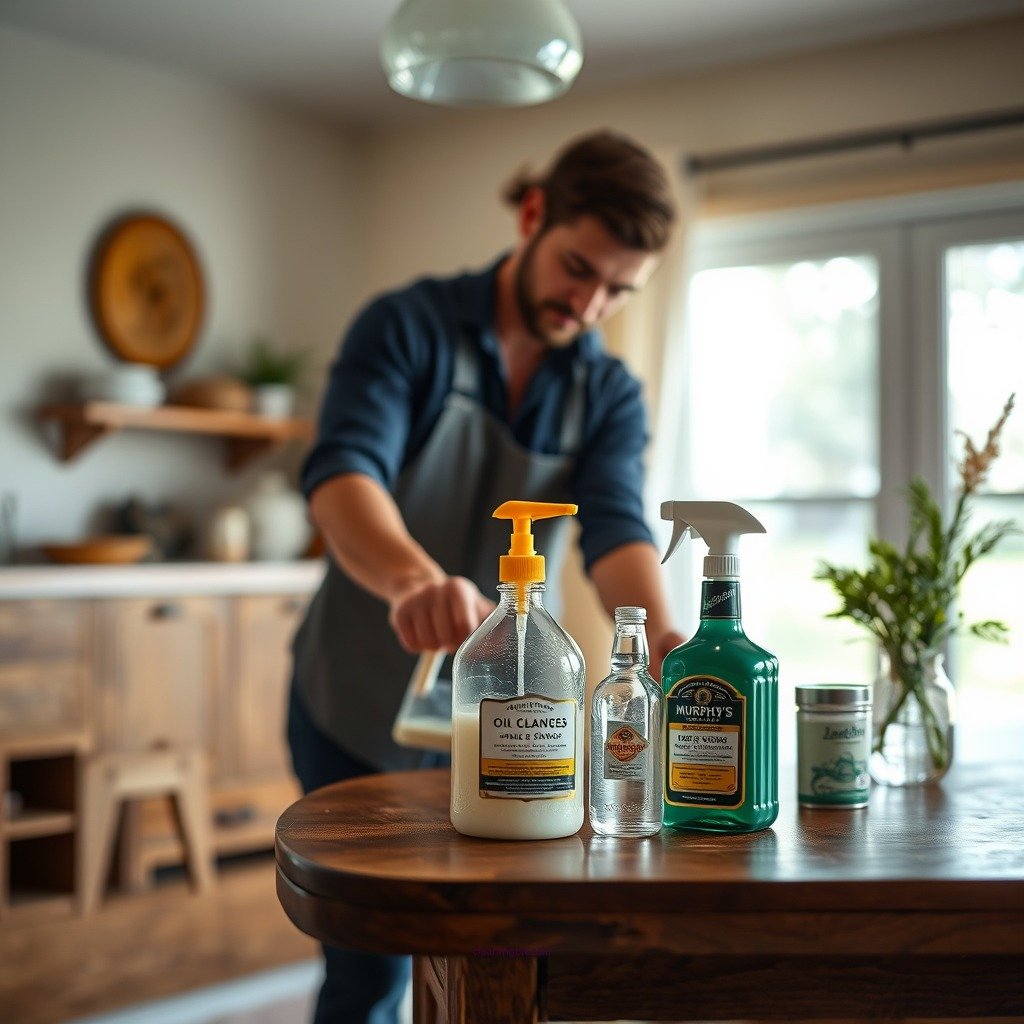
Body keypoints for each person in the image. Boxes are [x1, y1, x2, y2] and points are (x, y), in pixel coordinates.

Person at [288, 129, 685, 1024]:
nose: (588, 304)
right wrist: (410, 582)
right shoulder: (408, 327)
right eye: (578, 269)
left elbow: (614, 522)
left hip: (505, 731)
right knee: (371, 977)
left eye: (619, 290)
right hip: (350, 703)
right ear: (533, 213)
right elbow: (343, 473)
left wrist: (659, 633)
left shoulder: (607, 393)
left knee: (500, 954)